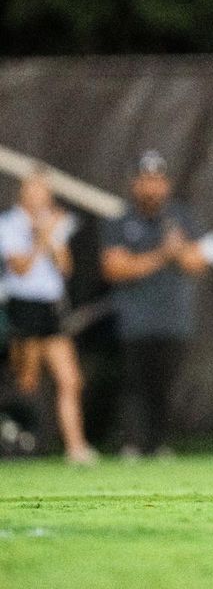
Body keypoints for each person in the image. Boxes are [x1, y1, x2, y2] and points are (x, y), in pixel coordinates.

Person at [101, 151, 207, 458]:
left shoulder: (180, 218)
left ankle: (160, 444)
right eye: (146, 180)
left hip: (173, 319)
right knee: (134, 385)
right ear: (135, 184)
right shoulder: (121, 221)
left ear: (166, 184)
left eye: (157, 180)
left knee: (166, 386)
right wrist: (162, 254)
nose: (152, 188)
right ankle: (133, 443)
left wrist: (179, 249)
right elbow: (114, 267)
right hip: (134, 320)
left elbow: (198, 263)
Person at [0, 168, 96, 464]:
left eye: (45, 191)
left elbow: (65, 268)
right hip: (23, 306)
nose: (41, 196)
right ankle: (18, 442)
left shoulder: (55, 222)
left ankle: (76, 447)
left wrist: (53, 238)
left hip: (50, 307)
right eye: (35, 190)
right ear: (24, 192)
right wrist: (41, 237)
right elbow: (20, 268)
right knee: (26, 380)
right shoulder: (9, 223)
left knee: (70, 379)